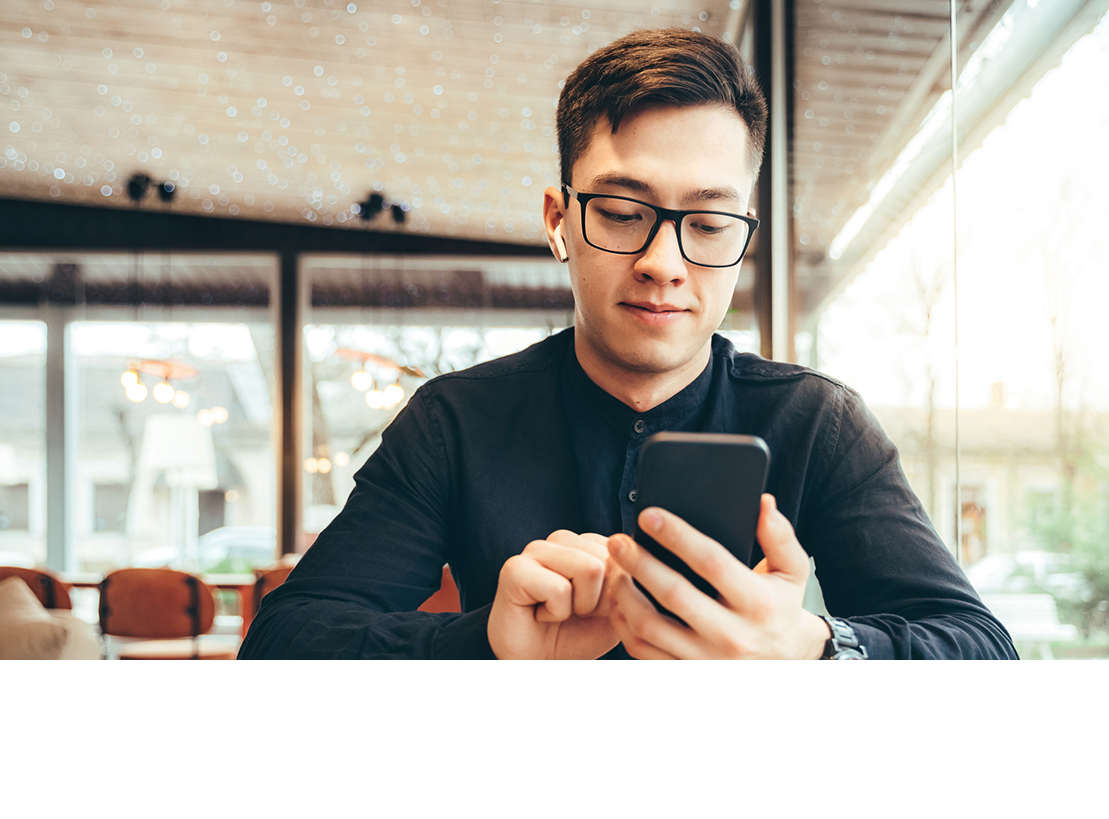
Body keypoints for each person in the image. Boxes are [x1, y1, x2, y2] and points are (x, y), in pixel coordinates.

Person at [240, 28, 1015, 660]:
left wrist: (819, 649)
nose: (664, 263)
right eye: (620, 210)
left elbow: (981, 649)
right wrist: (487, 640)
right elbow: (283, 640)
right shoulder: (454, 422)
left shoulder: (818, 422)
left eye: (708, 224)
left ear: (743, 240)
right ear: (558, 220)